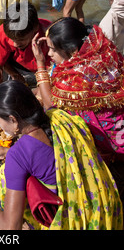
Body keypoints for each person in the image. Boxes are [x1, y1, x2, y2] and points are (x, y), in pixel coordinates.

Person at [0, 80, 123, 230]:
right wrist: (8, 152)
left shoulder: (18, 155)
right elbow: (51, 158)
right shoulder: (62, 119)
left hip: (75, 221)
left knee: (2, 179)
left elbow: (11, 226)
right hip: (104, 210)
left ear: (13, 119)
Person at [32, 17, 124, 203]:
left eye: (52, 49)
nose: (48, 53)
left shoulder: (74, 82)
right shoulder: (104, 52)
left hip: (113, 148)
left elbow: (53, 108)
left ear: (73, 51)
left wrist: (40, 64)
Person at [0, 2, 51, 90]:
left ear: (36, 29)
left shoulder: (49, 35)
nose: (15, 44)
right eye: (12, 39)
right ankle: (13, 75)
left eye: (21, 40)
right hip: (17, 64)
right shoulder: (5, 30)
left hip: (41, 67)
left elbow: (56, 71)